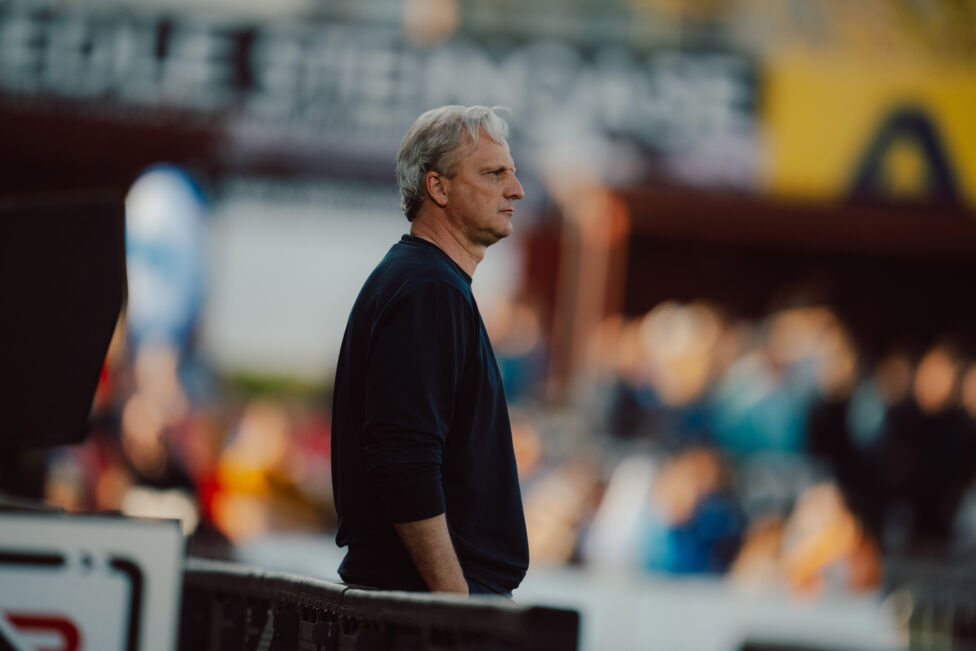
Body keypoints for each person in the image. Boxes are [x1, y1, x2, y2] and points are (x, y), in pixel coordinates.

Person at [330, 105, 529, 596]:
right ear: (437, 187)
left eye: (512, 172)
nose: (516, 189)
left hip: (419, 599)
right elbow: (404, 458)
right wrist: (454, 606)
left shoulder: (423, 281)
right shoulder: (429, 289)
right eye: (494, 173)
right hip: (426, 604)